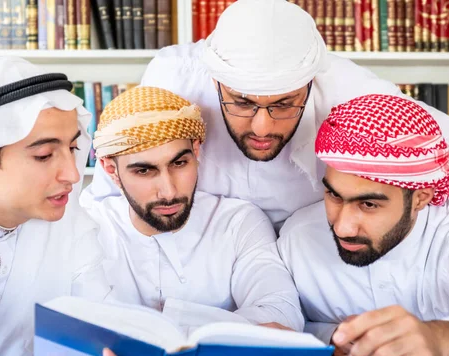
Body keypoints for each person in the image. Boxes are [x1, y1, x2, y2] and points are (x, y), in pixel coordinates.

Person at [0, 57, 218, 356]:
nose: (70, 173)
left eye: (72, 148)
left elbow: (104, 319)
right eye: (44, 156)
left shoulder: (69, 221)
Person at [83, 0, 449, 229]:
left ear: (310, 84)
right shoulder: (174, 80)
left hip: (321, 264)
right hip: (204, 263)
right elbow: (107, 196)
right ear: (214, 83)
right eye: (243, 103)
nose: (262, 127)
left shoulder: (348, 88)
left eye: (284, 104)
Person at [278, 94, 449, 356]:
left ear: (420, 198)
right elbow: (279, 319)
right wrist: (329, 336)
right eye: (334, 195)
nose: (343, 227)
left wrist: (445, 338)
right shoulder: (297, 239)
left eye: (369, 204)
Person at [82, 85, 304, 332]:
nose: (168, 191)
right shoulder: (87, 225)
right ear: (111, 170)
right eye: (144, 170)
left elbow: (283, 316)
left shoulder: (237, 222)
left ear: (196, 152)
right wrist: (219, 325)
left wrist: (157, 323)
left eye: (179, 163)